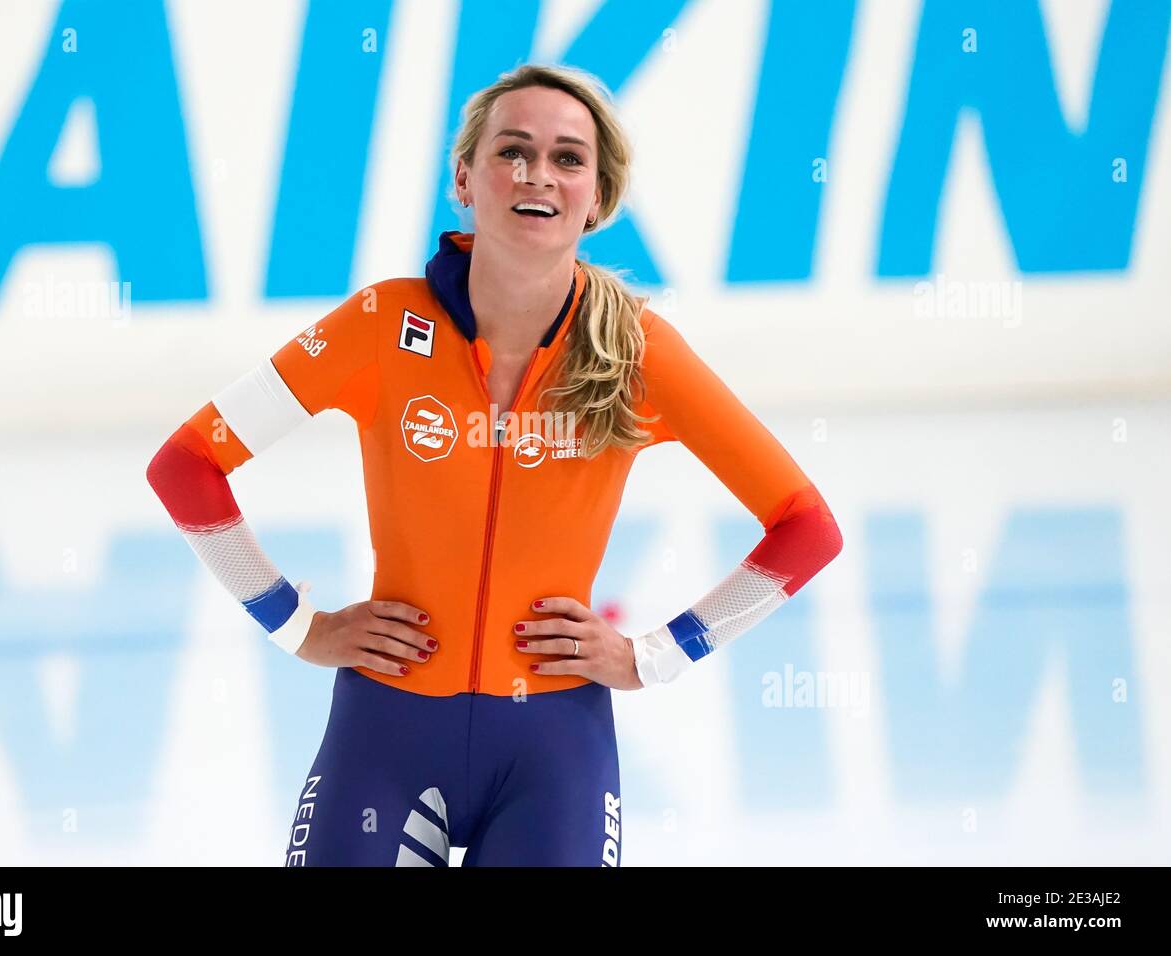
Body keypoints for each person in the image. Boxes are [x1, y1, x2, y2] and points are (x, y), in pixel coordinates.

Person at [146, 63, 843, 867]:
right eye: (512, 150)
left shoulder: (640, 352)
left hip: (553, 748)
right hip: (387, 726)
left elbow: (806, 528)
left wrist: (658, 654)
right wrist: (295, 624)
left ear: (598, 195)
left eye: (568, 158)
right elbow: (187, 464)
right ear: (465, 180)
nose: (537, 174)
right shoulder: (379, 323)